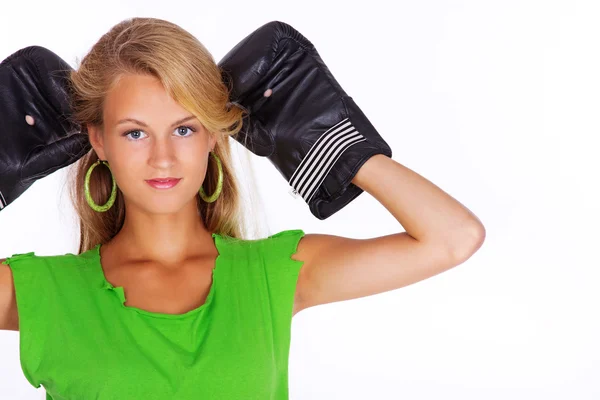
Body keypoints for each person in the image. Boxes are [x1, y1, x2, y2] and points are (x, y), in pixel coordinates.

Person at [0, 17, 486, 399]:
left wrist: (337, 142)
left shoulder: (274, 274)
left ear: (214, 134)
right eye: (135, 132)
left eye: (185, 128)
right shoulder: (41, 292)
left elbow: (453, 237)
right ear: (98, 141)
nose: (163, 156)